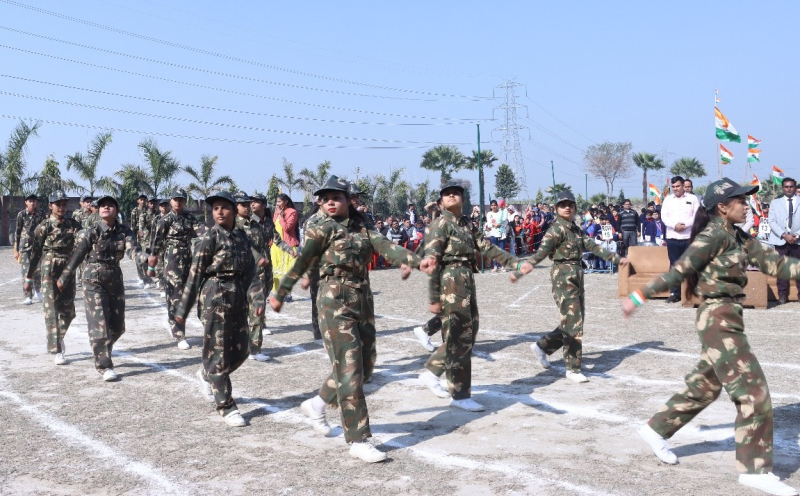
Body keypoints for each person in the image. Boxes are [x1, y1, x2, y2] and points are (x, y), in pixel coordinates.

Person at [623, 178, 800, 496]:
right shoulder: (712, 235)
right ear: (722, 206)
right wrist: (638, 296)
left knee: (705, 387)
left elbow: (775, 263)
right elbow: (679, 270)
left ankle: (655, 429)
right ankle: (754, 470)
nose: (746, 205)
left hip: (730, 315)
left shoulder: (738, 236)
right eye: (741, 200)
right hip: (718, 319)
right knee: (753, 393)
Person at [270, 175, 435, 463]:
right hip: (333, 299)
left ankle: (317, 403)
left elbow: (384, 245)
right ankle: (358, 439)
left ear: (348, 200)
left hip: (362, 296)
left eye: (337, 197)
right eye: (325, 199)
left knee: (366, 365)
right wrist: (282, 292)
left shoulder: (362, 224)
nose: (330, 202)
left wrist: (414, 260)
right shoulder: (320, 227)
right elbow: (304, 259)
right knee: (350, 369)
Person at [419, 181, 533, 411]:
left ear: (463, 199)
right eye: (447, 194)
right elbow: (431, 262)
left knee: (469, 333)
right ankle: (458, 393)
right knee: (458, 334)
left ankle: (435, 375)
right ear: (441, 201)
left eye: (456, 193)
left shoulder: (466, 224)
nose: (451, 196)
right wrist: (434, 297)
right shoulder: (439, 225)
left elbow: (487, 247)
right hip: (450, 278)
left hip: (466, 278)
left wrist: (515, 263)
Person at [175, 191, 264, 428]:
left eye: (225, 207)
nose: (220, 212)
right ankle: (226, 406)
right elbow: (195, 274)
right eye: (216, 208)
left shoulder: (242, 238)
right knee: (218, 353)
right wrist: (182, 310)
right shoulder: (209, 238)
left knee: (242, 349)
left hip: (237, 296)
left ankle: (208, 374)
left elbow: (251, 272)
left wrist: (257, 299)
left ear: (234, 211)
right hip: (215, 295)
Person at [526, 191, 626, 382]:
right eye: (563, 205)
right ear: (556, 208)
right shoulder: (556, 230)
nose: (567, 208)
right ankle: (573, 368)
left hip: (577, 273)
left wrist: (615, 258)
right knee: (573, 321)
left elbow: (593, 246)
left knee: (575, 319)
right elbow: (542, 252)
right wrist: (526, 266)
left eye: (570, 205)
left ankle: (542, 346)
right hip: (563, 274)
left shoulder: (576, 230)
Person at [58, 195, 140, 381]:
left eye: (111, 205)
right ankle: (104, 365)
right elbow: (77, 256)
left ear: (116, 210)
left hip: (115, 278)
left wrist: (145, 259)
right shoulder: (91, 232)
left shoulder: (125, 231)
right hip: (93, 279)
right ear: (99, 210)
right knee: (99, 323)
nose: (106, 208)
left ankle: (101, 348)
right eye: (103, 205)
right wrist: (65, 276)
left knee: (118, 327)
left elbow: (133, 250)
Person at [24, 190, 82, 365]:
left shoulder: (74, 225)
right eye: (58, 204)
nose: (62, 208)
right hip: (49, 269)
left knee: (69, 311)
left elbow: (84, 243)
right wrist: (29, 278)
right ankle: (57, 349)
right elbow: (35, 253)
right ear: (51, 206)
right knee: (51, 311)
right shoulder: (44, 226)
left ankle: (58, 337)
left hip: (67, 269)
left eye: (64, 204)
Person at [148, 188, 203, 349]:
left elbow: (201, 231)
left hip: (188, 258)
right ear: (171, 201)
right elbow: (156, 243)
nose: (178, 202)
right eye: (176, 199)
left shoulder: (189, 218)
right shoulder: (165, 220)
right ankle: (179, 334)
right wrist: (152, 264)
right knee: (175, 296)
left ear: (185, 201)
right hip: (172, 260)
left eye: (181, 199)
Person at [233, 191, 271, 362]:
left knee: (257, 310)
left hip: (256, 275)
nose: (247, 207)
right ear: (236, 207)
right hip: (239, 275)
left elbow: (265, 244)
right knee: (238, 313)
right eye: (243, 205)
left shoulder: (255, 224)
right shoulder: (233, 226)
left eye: (248, 204)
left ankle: (255, 349)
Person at [661, 175, 700, 303]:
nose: (675, 189)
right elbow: (664, 216)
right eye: (673, 187)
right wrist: (675, 225)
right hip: (673, 237)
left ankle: (692, 292)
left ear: (683, 186)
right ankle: (675, 293)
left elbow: (697, 215)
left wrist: (685, 225)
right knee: (674, 265)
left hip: (688, 237)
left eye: (678, 186)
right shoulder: (668, 199)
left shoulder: (692, 199)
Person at [766, 177, 800, 304]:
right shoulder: (775, 203)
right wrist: (784, 235)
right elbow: (771, 221)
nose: (789, 189)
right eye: (786, 187)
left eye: (791, 186)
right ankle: (782, 295)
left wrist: (797, 235)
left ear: (795, 187)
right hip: (780, 240)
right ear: (783, 188)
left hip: (797, 241)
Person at [15, 193, 45, 305]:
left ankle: (38, 290)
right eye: (30, 201)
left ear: (37, 203)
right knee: (26, 271)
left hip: (38, 246)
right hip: (25, 247)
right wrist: (16, 249)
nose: (32, 203)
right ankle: (28, 295)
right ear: (26, 202)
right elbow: (18, 232)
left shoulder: (41, 214)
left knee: (38, 270)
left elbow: (44, 229)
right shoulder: (21, 214)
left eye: (34, 201)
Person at [270, 193, 299, 300]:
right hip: (275, 246)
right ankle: (275, 293)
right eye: (276, 202)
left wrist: (282, 217)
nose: (277, 204)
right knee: (274, 270)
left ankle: (287, 294)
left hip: (288, 245)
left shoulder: (292, 212)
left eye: (279, 201)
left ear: (286, 202)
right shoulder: (276, 212)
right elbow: (273, 227)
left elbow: (287, 228)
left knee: (287, 271)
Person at [136, 196, 158, 289]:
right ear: (148, 204)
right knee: (145, 261)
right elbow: (141, 226)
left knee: (157, 261)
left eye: (154, 203)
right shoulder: (144, 215)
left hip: (157, 241)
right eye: (151, 203)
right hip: (146, 241)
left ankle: (157, 279)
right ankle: (147, 280)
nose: (152, 205)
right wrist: (140, 232)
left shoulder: (158, 214)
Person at [486, 199, 508, 271]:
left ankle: (503, 266)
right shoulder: (489, 214)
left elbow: (505, 222)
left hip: (501, 233)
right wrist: (493, 225)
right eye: (492, 205)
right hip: (493, 233)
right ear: (490, 206)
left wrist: (500, 225)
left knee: (502, 249)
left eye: (495, 205)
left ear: (497, 206)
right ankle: (495, 266)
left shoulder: (501, 212)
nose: (493, 207)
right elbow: (489, 224)